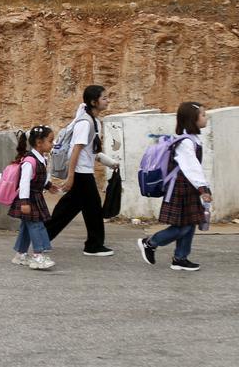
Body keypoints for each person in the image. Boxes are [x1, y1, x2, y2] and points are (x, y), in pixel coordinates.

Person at [138, 102, 213, 272]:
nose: (206, 117)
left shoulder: (192, 139)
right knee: (183, 226)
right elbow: (191, 168)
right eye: (203, 115)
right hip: (181, 188)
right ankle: (150, 242)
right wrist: (204, 189)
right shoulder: (185, 142)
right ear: (193, 119)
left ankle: (180, 258)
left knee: (190, 223)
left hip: (188, 187)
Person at [46, 85, 121, 256]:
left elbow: (90, 151)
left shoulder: (95, 122)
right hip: (81, 173)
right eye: (104, 98)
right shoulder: (85, 123)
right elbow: (76, 150)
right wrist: (71, 176)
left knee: (70, 208)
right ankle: (93, 245)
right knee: (91, 208)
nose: (108, 101)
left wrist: (109, 162)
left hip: (84, 172)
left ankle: (42, 236)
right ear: (94, 102)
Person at [9, 126, 60, 270]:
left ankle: (20, 254)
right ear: (39, 142)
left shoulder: (41, 159)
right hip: (29, 199)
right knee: (37, 226)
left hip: (35, 197)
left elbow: (37, 178)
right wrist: (24, 202)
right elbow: (24, 182)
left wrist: (48, 186)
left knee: (27, 226)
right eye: (50, 141)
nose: (52, 144)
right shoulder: (30, 161)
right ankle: (38, 255)